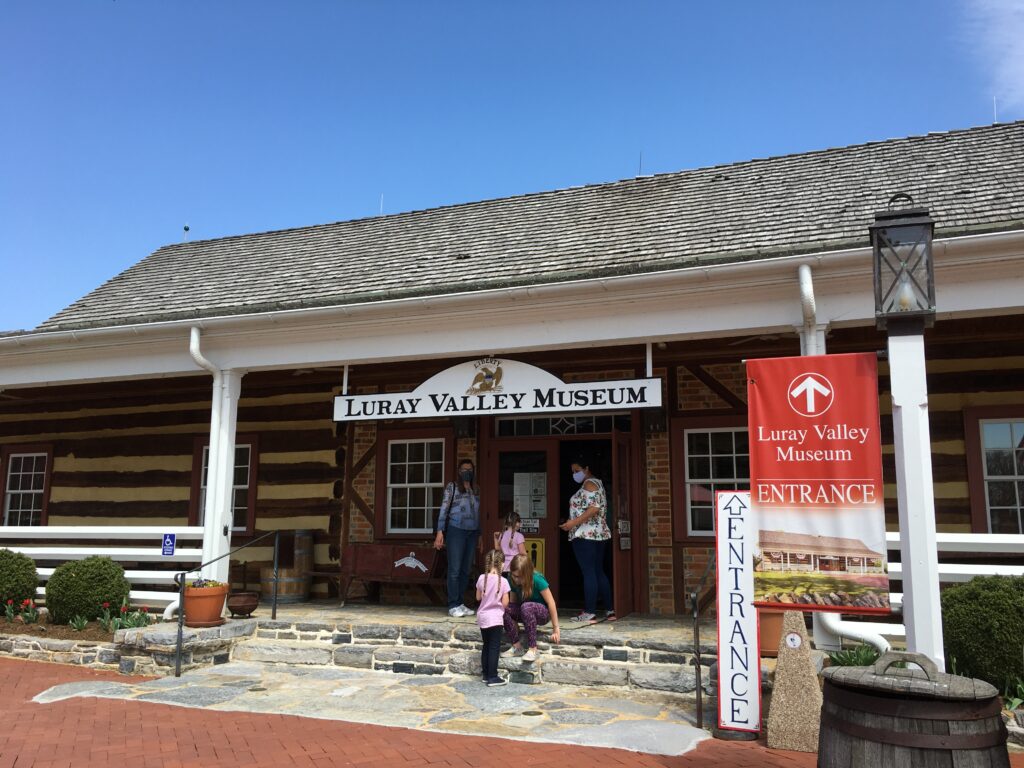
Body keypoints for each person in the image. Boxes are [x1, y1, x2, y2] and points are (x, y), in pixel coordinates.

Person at [559, 456, 614, 624]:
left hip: (585, 535)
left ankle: (590, 611)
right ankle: (610, 609)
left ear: (587, 468)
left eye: (577, 470)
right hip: (599, 534)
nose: (574, 474)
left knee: (589, 572)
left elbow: (594, 508)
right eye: (573, 471)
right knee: (598, 571)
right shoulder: (598, 483)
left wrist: (572, 523)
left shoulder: (589, 484)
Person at [434, 459, 483, 617]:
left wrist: (480, 534)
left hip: (472, 532)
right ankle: (453, 604)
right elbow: (444, 509)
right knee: (454, 569)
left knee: (466, 570)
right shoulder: (452, 487)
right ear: (459, 471)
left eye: (470, 469)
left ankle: (460, 603)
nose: (467, 472)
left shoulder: (476, 489)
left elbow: (478, 513)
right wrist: (440, 532)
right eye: (464, 469)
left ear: (473, 471)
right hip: (456, 530)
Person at [501, 553, 560, 661]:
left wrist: (556, 628)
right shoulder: (511, 579)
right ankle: (516, 646)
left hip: (542, 614)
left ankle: (533, 649)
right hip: (524, 611)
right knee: (503, 608)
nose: (516, 579)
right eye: (514, 575)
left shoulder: (537, 580)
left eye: (519, 577)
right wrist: (513, 622)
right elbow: (513, 602)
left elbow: (551, 603)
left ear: (527, 574)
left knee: (526, 606)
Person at [476, 549, 510, 686]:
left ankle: (485, 674)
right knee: (494, 647)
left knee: (486, 645)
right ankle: (493, 677)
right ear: (502, 564)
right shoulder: (503, 581)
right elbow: (505, 603)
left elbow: (478, 597)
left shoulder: (480, 578)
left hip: (483, 617)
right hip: (495, 618)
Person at [493, 511, 527, 578]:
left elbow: (497, 548)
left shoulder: (502, 535)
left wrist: (495, 538)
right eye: (519, 522)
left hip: (503, 568)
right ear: (515, 523)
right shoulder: (519, 536)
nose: (520, 524)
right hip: (515, 567)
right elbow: (523, 553)